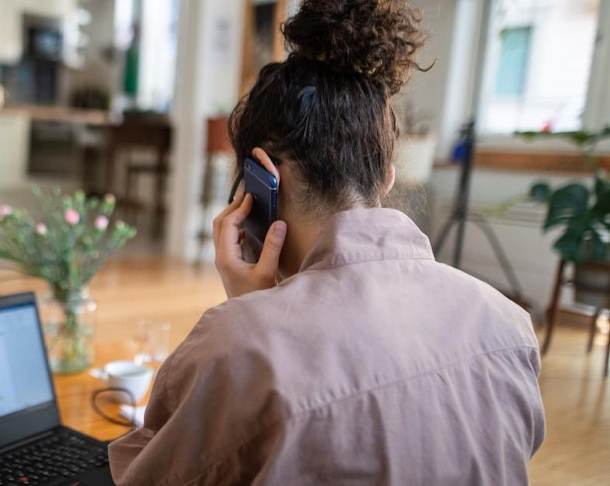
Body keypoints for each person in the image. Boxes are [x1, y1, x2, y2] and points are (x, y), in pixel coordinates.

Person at [107, 0, 545, 484]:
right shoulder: (510, 327)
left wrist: (250, 317)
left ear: (263, 177)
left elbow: (145, 474)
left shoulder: (234, 348)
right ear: (386, 178)